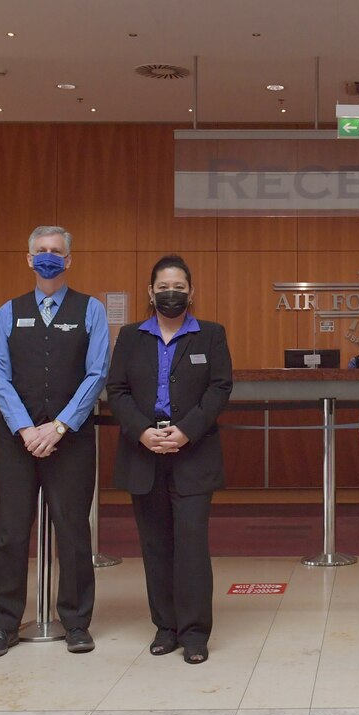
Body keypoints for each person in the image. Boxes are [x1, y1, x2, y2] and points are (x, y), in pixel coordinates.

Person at [0, 226, 110, 658]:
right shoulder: (7, 312)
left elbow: (96, 375)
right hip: (18, 440)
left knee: (73, 532)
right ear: (29, 258)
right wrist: (25, 429)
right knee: (11, 533)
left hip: (70, 440)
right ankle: (3, 625)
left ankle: (75, 622)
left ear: (69, 260)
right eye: (42, 251)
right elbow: (0, 377)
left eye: (56, 252)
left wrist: (57, 427)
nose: (49, 257)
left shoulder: (90, 310)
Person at [106, 255, 232, 664]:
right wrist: (143, 431)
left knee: (191, 545)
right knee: (156, 545)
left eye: (178, 287)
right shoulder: (129, 336)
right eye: (163, 288)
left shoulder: (211, 334)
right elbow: (117, 390)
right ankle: (165, 627)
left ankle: (195, 632)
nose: (171, 294)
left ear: (191, 291)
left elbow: (219, 387)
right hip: (144, 453)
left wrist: (186, 430)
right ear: (150, 292)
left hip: (193, 453)